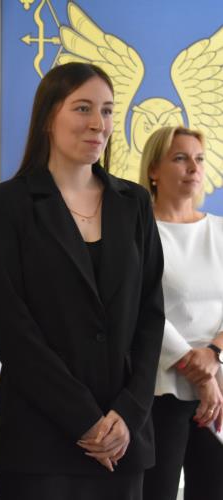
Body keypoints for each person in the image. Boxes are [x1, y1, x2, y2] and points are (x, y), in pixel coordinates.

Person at [0, 62, 165, 500]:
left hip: (123, 442)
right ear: (49, 117)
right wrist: (85, 420)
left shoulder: (135, 203)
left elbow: (150, 317)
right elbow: (10, 326)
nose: (99, 123)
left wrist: (128, 413)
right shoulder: (9, 203)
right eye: (83, 108)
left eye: (107, 110)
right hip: (40, 440)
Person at [138, 126, 223, 500]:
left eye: (199, 159)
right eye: (180, 158)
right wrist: (198, 371)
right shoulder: (139, 233)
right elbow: (143, 309)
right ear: (154, 170)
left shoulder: (220, 230)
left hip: (219, 388)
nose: (193, 167)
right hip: (160, 388)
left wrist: (214, 354)